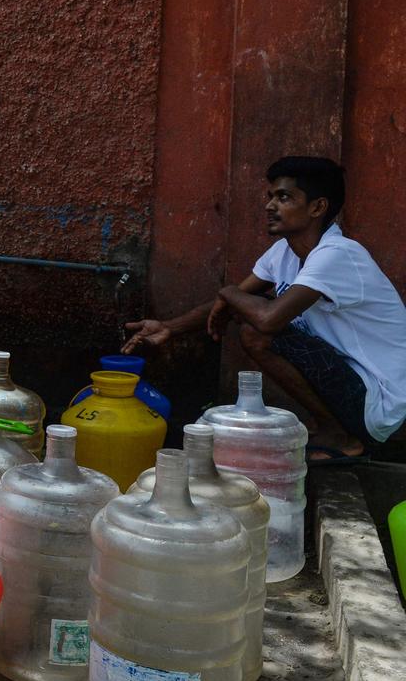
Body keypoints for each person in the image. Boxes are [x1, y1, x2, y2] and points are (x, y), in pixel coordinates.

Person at [124, 156, 406, 459]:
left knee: (259, 333)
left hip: (378, 402)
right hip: (353, 388)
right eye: (270, 196)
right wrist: (170, 327)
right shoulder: (285, 251)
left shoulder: (337, 255)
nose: (270, 205)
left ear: (317, 207)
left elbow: (266, 319)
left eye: (283, 197)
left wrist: (229, 292)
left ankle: (340, 438)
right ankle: (333, 430)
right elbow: (231, 303)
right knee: (255, 314)